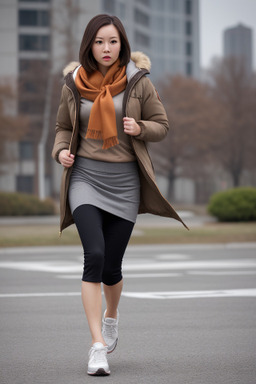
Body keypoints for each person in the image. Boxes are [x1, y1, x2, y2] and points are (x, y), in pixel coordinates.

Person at [52, 14, 187, 376]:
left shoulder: (138, 82)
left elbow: (162, 126)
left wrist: (139, 126)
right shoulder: (73, 83)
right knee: (93, 256)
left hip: (124, 184)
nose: (106, 49)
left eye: (112, 41)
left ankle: (112, 317)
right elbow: (64, 127)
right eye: (99, 42)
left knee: (112, 267)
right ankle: (97, 346)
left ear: (122, 43)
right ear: (89, 45)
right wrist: (60, 152)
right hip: (85, 180)